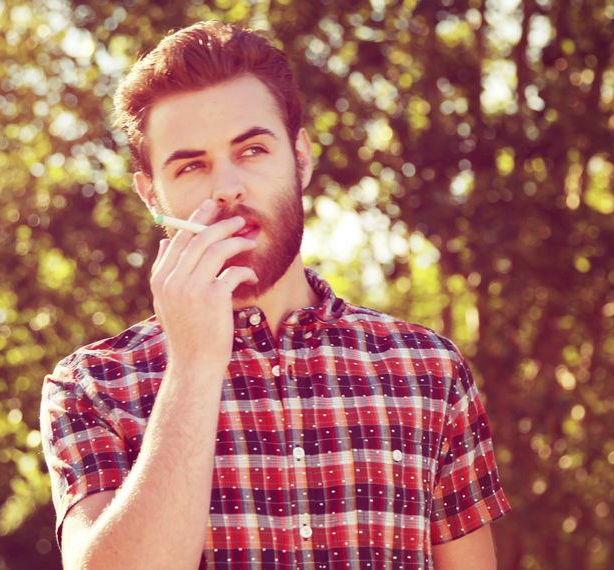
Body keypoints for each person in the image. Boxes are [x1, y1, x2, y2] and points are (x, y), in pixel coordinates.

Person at [40, 21, 512, 570]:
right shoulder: (93, 387)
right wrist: (194, 364)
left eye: (253, 150)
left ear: (301, 158)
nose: (226, 187)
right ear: (152, 195)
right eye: (191, 165)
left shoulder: (428, 370)